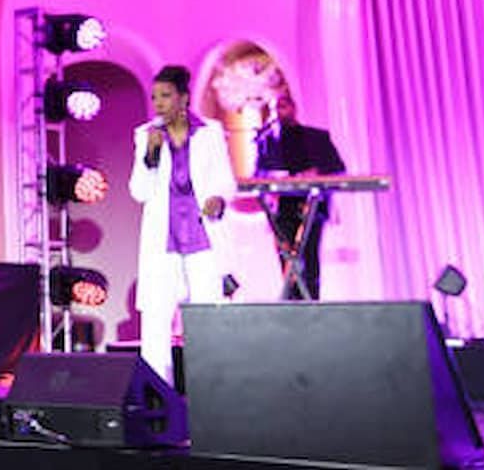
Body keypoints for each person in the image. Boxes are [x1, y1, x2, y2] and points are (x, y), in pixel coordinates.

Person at [128, 64, 237, 387]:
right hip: (163, 242)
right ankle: (158, 398)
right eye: (154, 97)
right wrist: (150, 156)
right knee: (156, 321)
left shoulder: (210, 132)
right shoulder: (146, 135)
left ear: (184, 98)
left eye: (165, 96)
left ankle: (213, 392)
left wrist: (218, 198)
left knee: (206, 319)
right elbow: (138, 191)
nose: (158, 103)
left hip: (202, 238)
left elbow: (225, 180)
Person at [254, 91, 346, 300]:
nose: (278, 112)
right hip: (281, 209)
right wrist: (277, 178)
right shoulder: (266, 142)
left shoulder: (316, 138)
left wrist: (316, 173)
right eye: (274, 108)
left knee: (310, 257)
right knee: (287, 259)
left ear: (293, 108)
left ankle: (312, 304)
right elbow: (258, 175)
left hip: (311, 205)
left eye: (283, 106)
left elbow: (337, 168)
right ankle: (293, 305)